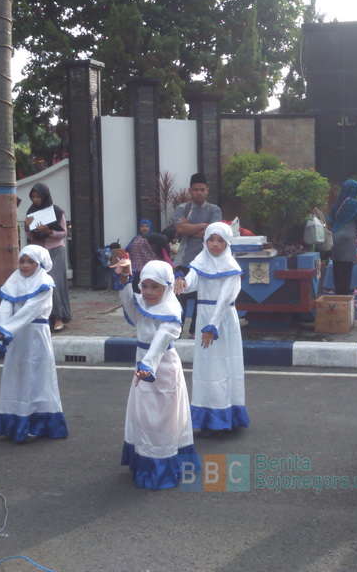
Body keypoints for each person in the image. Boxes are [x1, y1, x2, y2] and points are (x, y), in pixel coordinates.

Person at [113, 258, 201, 490]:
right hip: (143, 364)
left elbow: (160, 342)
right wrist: (125, 280)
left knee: (162, 419)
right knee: (142, 414)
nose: (149, 292)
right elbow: (131, 308)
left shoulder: (172, 311)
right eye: (145, 286)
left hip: (161, 367)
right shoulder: (143, 301)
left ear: (168, 287)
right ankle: (143, 458)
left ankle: (162, 465)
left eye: (156, 287)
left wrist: (148, 365)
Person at [0, 245, 69, 443]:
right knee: (15, 376)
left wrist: (6, 331)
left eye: (30, 261)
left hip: (35, 336)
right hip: (16, 338)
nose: (24, 265)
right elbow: (5, 309)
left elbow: (30, 310)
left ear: (39, 263)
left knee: (37, 377)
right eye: (22, 261)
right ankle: (14, 420)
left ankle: (40, 424)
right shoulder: (14, 280)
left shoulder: (45, 282)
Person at [175, 222, 248, 433]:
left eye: (220, 240)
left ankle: (225, 415)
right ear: (205, 241)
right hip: (204, 317)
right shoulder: (201, 262)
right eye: (211, 239)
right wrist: (180, 280)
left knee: (224, 366)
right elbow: (191, 282)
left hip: (222, 320)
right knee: (205, 368)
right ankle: (206, 414)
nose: (215, 244)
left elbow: (225, 300)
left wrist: (212, 326)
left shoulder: (231, 269)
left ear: (227, 242)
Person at [173, 173, 223, 335]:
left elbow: (213, 235)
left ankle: (196, 331)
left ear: (207, 190)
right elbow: (180, 229)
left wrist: (190, 228)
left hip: (207, 263)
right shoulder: (182, 208)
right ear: (190, 191)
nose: (199, 193)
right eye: (196, 190)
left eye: (202, 189)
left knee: (201, 299)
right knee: (179, 298)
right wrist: (202, 225)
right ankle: (175, 331)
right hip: (184, 261)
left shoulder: (215, 210)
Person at [24, 183, 71, 332]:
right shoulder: (31, 211)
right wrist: (27, 227)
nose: (36, 200)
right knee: (39, 284)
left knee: (54, 282)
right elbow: (29, 235)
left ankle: (59, 317)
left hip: (55, 250)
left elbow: (64, 233)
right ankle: (45, 316)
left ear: (45, 196)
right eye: (33, 197)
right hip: (39, 251)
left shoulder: (56, 211)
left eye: (38, 196)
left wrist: (49, 231)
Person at [328, 179, 357, 295]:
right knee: (346, 269)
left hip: (335, 237)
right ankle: (344, 297)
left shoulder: (337, 203)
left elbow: (330, 219)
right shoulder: (354, 203)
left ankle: (338, 293)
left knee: (337, 267)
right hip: (348, 238)